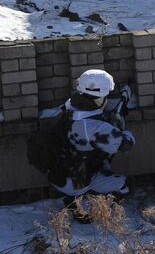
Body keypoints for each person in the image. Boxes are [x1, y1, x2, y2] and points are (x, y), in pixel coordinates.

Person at [51, 69, 135, 223]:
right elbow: (126, 145)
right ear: (101, 96)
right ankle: (85, 209)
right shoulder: (93, 127)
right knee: (125, 185)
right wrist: (123, 130)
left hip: (60, 173)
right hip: (78, 180)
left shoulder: (70, 106)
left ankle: (75, 197)